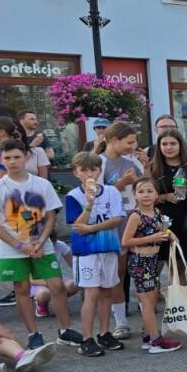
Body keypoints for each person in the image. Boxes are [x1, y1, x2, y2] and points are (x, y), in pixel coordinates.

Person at [0, 140, 82, 347]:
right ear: (1, 160)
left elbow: (51, 216)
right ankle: (33, 334)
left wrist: (42, 241)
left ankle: (65, 330)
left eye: (17, 157)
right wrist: (19, 245)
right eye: (7, 158)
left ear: (26, 158)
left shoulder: (41, 184)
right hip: (12, 249)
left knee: (57, 285)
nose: (12, 161)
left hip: (42, 245)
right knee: (22, 289)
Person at [65, 151, 126, 356]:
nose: (90, 173)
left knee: (107, 290)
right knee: (91, 293)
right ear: (76, 172)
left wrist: (91, 228)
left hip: (108, 247)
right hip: (86, 251)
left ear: (100, 170)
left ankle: (104, 332)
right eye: (84, 170)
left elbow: (117, 218)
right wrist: (89, 203)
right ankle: (87, 337)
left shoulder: (111, 192)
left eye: (94, 169)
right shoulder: (74, 196)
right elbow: (77, 224)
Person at [121, 178, 181, 353]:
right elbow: (126, 241)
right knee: (147, 302)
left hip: (153, 261)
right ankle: (156, 340)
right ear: (135, 194)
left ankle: (148, 335)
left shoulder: (156, 212)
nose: (145, 195)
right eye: (141, 191)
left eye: (149, 191)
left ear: (156, 194)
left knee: (152, 300)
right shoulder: (135, 216)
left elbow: (163, 228)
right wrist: (151, 239)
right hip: (141, 261)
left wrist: (170, 234)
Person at [99, 121, 144, 340]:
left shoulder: (133, 160)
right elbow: (96, 194)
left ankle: (147, 319)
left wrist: (145, 172)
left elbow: (146, 188)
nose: (133, 145)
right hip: (112, 224)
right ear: (114, 140)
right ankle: (121, 321)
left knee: (140, 271)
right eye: (129, 142)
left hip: (134, 220)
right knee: (117, 273)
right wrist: (120, 184)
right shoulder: (100, 162)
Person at [150, 130, 187, 311]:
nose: (168, 147)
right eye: (164, 144)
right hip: (167, 222)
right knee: (175, 268)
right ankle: (184, 308)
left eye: (172, 143)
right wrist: (165, 196)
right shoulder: (155, 168)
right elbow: (147, 197)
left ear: (180, 145)